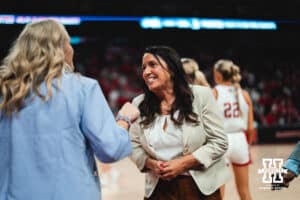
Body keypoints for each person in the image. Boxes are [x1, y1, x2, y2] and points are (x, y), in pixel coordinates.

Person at [0, 19, 139, 200]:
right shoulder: (82, 88)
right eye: (68, 42)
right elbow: (110, 149)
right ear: (63, 49)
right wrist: (124, 120)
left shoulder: (5, 90)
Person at [129, 45, 230, 200]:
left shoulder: (201, 96)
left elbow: (219, 141)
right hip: (158, 189)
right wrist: (150, 164)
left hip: (199, 189)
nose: (146, 72)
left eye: (152, 65)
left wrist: (183, 163)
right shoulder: (138, 104)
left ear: (172, 69)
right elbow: (133, 145)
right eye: (143, 67)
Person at [212, 59, 255, 200]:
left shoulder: (214, 93)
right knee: (244, 191)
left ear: (218, 75)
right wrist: (246, 144)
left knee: (218, 194)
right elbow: (250, 128)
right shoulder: (244, 94)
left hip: (221, 141)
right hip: (240, 140)